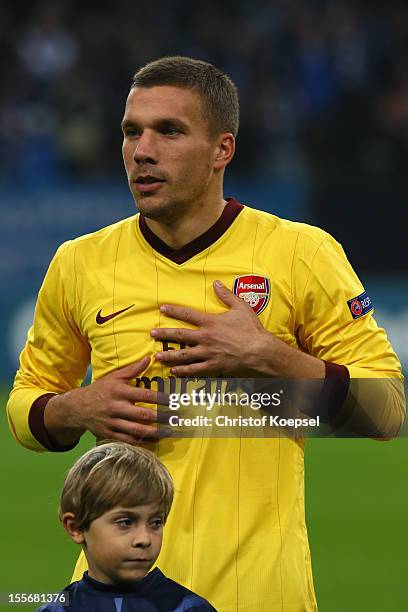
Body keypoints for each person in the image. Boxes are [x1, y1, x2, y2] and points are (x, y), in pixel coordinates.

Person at [7, 56, 405, 611]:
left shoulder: (300, 253)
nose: (142, 150)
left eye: (169, 131)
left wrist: (269, 356)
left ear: (223, 150)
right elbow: (27, 401)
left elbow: (388, 410)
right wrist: (75, 408)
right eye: (131, 131)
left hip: (260, 594)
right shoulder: (80, 263)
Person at [36, 441, 216, 611]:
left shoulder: (188, 607)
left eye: (155, 523)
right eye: (126, 522)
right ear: (75, 527)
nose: (144, 539)